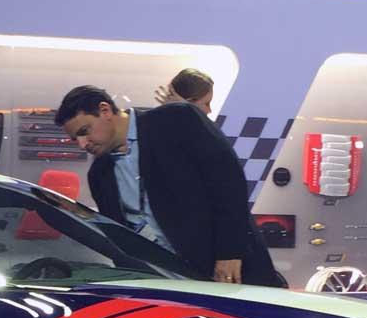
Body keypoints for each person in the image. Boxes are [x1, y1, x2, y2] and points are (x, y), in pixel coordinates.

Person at [56, 85, 283, 287]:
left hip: (231, 272)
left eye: (84, 131)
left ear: (105, 111)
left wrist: (230, 253)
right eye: (75, 139)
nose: (82, 144)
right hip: (167, 288)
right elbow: (121, 241)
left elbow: (228, 184)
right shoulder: (99, 175)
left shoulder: (176, 120)